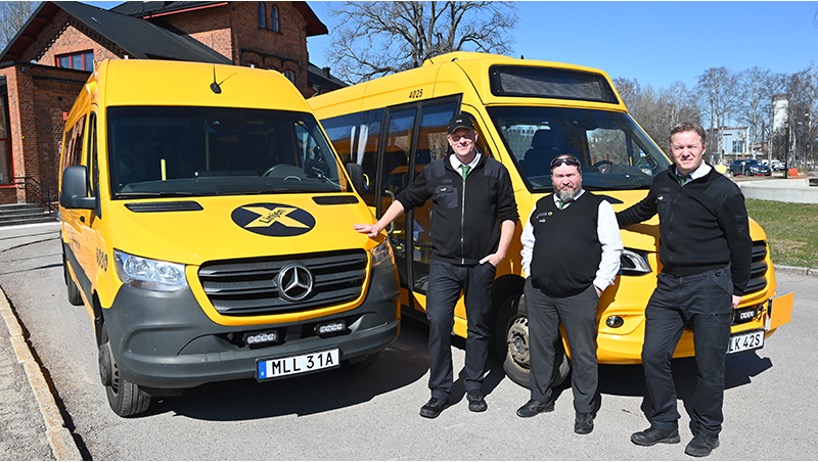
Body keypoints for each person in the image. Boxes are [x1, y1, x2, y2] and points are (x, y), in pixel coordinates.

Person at [353, 112, 518, 418]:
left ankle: (473, 387)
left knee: (478, 327)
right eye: (455, 136)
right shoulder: (435, 171)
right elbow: (406, 198)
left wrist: (499, 254)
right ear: (450, 140)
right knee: (440, 323)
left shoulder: (496, 172)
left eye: (466, 134)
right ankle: (440, 391)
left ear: (476, 136)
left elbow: (509, 214)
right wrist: (380, 225)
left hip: (481, 264)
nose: (462, 140)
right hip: (443, 263)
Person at [617, 122, 751, 457]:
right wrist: (605, 217)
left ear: (703, 147)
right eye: (678, 147)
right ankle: (664, 424)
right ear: (671, 149)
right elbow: (642, 211)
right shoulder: (663, 181)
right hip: (669, 285)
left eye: (691, 146)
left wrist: (737, 289)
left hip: (710, 286)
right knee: (653, 355)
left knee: (709, 365)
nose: (685, 152)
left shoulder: (724, 190)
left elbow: (741, 243)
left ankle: (708, 430)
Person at [516, 154, 623, 435]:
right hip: (540, 292)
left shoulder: (598, 206)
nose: (566, 180)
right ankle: (540, 398)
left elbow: (612, 249)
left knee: (583, 353)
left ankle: (585, 410)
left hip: (579, 294)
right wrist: (530, 275)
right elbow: (528, 242)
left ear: (580, 177)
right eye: (560, 176)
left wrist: (598, 286)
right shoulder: (540, 206)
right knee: (541, 347)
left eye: (571, 175)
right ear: (552, 179)